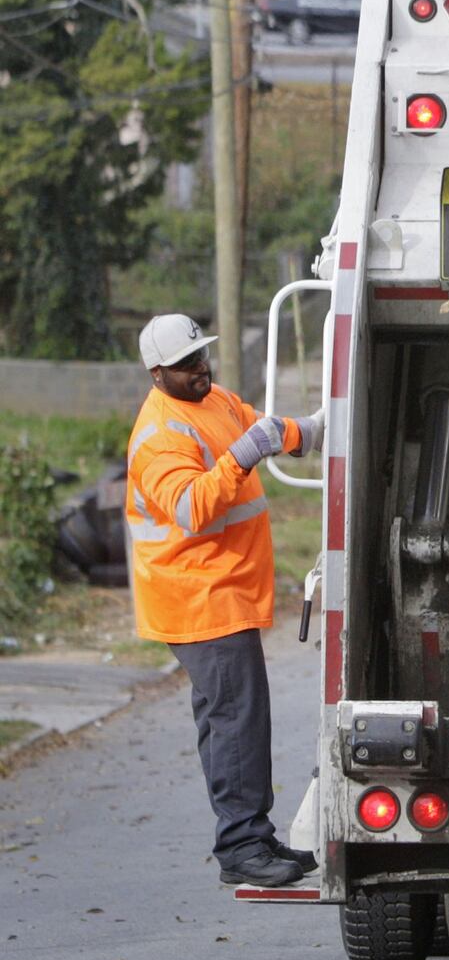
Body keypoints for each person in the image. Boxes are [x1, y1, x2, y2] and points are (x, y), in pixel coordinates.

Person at [125, 313, 324, 887]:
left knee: (229, 719)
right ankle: (241, 846)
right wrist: (242, 456)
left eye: (202, 355)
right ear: (157, 372)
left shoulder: (214, 400)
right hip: (196, 596)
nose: (200, 368)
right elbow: (191, 507)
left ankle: (250, 838)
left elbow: (263, 428)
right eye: (187, 364)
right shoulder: (159, 436)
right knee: (237, 718)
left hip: (220, 588)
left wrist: (312, 430)